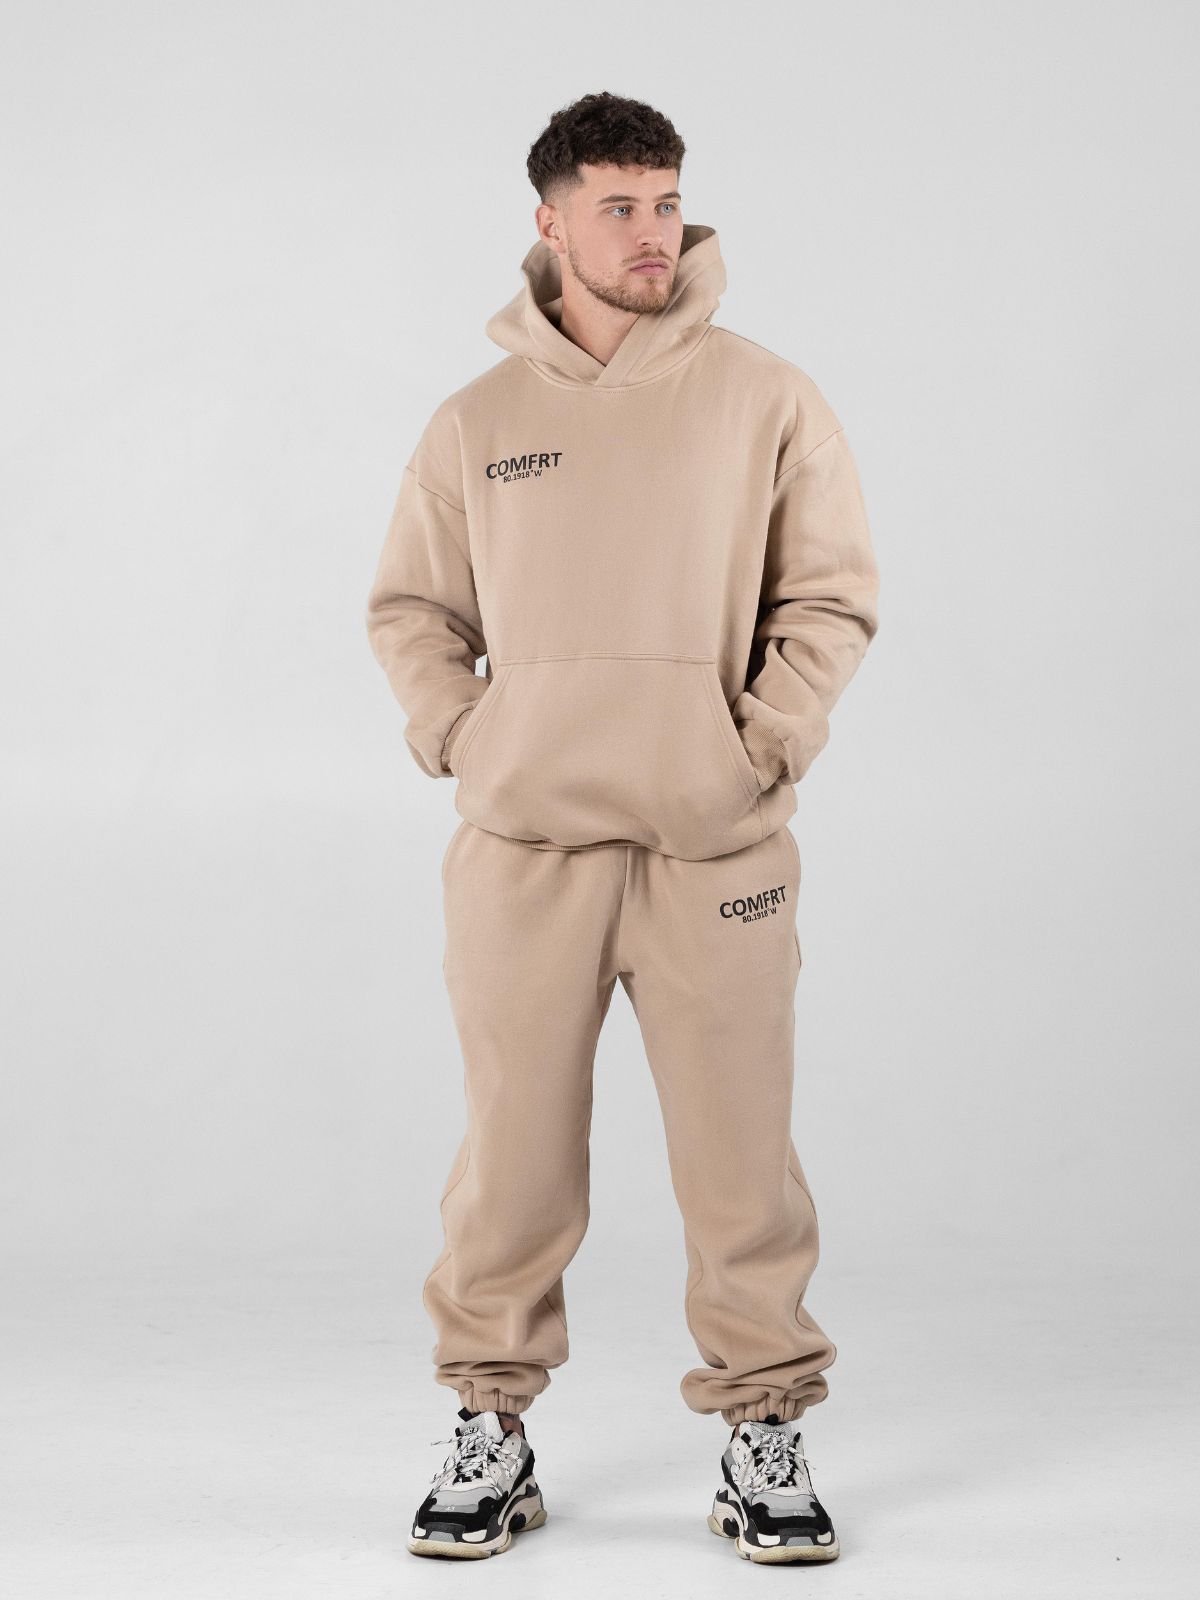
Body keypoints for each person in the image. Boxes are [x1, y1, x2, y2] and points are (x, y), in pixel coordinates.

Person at [365, 90, 879, 1564]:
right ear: (551, 221)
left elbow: (829, 597)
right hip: (526, 853)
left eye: (666, 203)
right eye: (620, 208)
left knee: (741, 1161)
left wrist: (756, 746)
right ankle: (491, 1424)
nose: (655, 233)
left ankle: (763, 1428)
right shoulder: (478, 423)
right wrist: (469, 737)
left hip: (717, 848)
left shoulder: (766, 398)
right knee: (511, 1161)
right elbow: (413, 610)